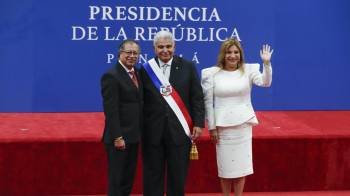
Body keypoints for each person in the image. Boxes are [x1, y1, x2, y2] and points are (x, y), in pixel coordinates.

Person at [201, 38, 273, 196]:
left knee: (241, 168)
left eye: (235, 52)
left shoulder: (249, 70)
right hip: (222, 128)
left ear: (240, 54)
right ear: (223, 54)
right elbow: (208, 103)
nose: (232, 56)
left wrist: (266, 64)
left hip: (243, 126)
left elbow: (265, 83)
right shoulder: (211, 73)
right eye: (228, 52)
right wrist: (211, 127)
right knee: (226, 169)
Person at [140, 30, 205, 196]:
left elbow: (197, 97)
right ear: (154, 48)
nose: (165, 50)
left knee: (177, 177)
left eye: (168, 46)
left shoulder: (188, 67)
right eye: (160, 47)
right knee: (152, 176)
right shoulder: (146, 70)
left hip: (180, 131)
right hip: (153, 131)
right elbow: (141, 101)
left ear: (174, 47)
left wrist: (198, 123)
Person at [100, 40, 142, 196]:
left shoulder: (138, 73)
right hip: (119, 138)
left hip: (134, 136)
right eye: (128, 52)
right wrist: (118, 136)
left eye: (135, 53)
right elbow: (111, 110)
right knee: (117, 181)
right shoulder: (111, 76)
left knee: (128, 179)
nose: (132, 56)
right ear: (120, 53)